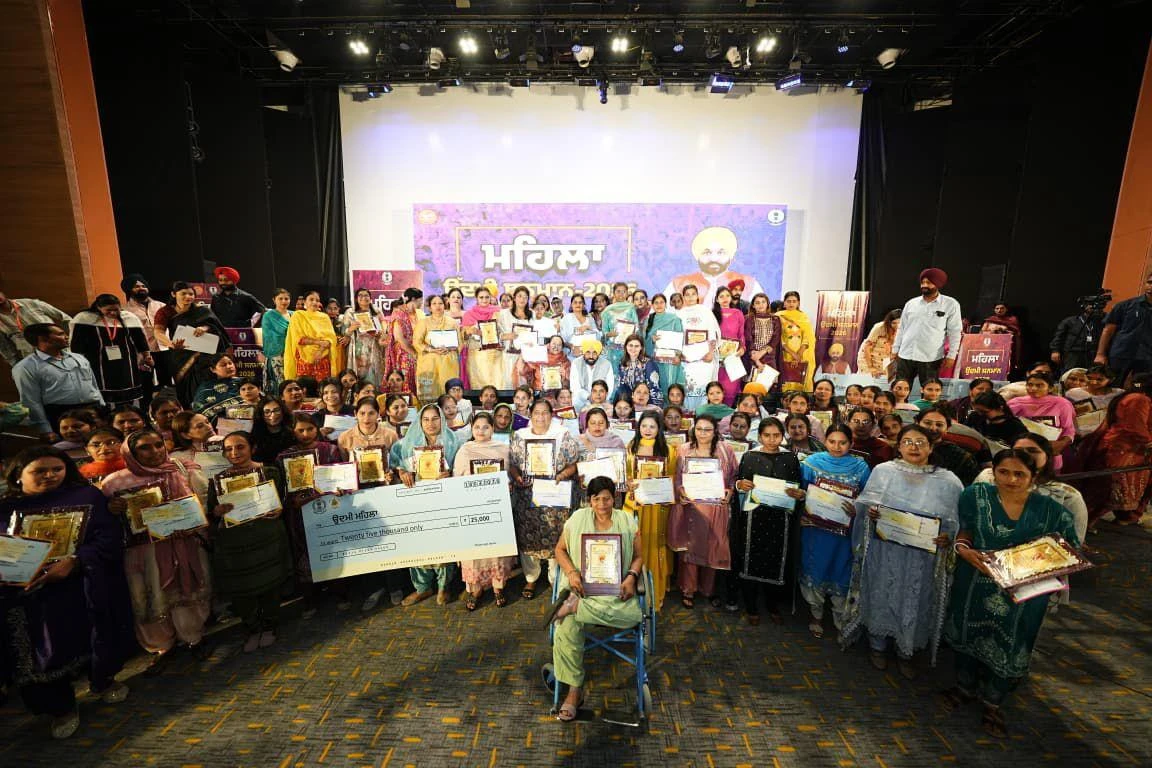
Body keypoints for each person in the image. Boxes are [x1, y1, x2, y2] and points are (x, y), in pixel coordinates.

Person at [944, 449, 1080, 738]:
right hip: (975, 579)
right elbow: (966, 530)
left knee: (1012, 641)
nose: (1011, 479)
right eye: (1003, 472)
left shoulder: (1051, 510)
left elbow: (1069, 550)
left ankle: (993, 702)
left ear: (1034, 477)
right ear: (993, 472)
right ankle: (964, 687)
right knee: (967, 631)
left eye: (1020, 474)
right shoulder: (975, 496)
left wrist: (1039, 564)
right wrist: (963, 550)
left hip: (1024, 592)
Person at [0, 447, 134, 739]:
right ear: (18, 475)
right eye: (40, 471)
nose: (50, 476)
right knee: (40, 652)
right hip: (29, 595)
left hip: (83, 585)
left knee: (96, 635)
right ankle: (61, 708)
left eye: (57, 469)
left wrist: (76, 561)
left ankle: (103, 681)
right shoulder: (5, 507)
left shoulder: (86, 496)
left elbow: (108, 537)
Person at [841, 424, 962, 678]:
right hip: (885, 551)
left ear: (931, 447)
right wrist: (870, 514)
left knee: (914, 600)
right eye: (907, 442)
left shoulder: (948, 481)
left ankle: (906, 650)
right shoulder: (884, 472)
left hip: (922, 558)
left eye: (920, 442)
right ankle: (877, 646)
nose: (913, 447)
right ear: (898, 446)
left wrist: (947, 538)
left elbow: (956, 522)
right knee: (881, 593)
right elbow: (864, 506)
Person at [100, 429, 212, 662]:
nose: (155, 451)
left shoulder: (182, 470)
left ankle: (193, 637)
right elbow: (105, 524)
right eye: (144, 447)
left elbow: (204, 502)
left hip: (184, 544)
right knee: (149, 595)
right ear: (130, 453)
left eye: (158, 445)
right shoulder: (114, 483)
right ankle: (162, 647)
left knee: (186, 590)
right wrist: (111, 510)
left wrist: (194, 521)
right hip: (144, 552)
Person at [548, 475, 644, 722]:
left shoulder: (627, 521)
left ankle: (575, 607)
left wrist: (632, 577)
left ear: (615, 499)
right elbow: (559, 550)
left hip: (616, 591)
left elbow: (638, 557)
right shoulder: (577, 519)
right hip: (583, 589)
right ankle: (573, 691)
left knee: (633, 616)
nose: (602, 504)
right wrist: (571, 572)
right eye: (597, 499)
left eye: (607, 499)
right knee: (565, 627)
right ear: (589, 500)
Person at [206, 431, 292, 653]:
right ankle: (253, 628)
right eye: (228, 449)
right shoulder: (218, 481)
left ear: (252, 448)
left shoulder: (270, 471)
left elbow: (284, 500)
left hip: (267, 537)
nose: (234, 453)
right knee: (242, 589)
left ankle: (270, 626)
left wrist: (280, 508)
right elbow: (211, 513)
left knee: (270, 585)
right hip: (235, 544)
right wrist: (217, 511)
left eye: (240, 447)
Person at [973, 434, 1087, 573]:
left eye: (1033, 451)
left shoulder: (1067, 496)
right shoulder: (987, 479)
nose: (1025, 455)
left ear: (1047, 457)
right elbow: (969, 520)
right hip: (983, 564)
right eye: (1018, 450)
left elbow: (1072, 546)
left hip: (1040, 572)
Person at [797, 425, 871, 638]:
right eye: (832, 441)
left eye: (843, 442)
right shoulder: (811, 463)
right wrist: (802, 507)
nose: (837, 447)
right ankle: (816, 614)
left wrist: (857, 508)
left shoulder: (860, 467)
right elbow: (802, 491)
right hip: (815, 530)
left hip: (844, 534)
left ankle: (841, 617)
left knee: (842, 569)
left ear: (851, 444)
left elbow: (868, 497)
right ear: (825, 441)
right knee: (815, 566)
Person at [730, 418, 805, 624]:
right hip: (753, 517)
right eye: (767, 435)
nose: (772, 440)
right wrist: (740, 485)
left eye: (776, 435)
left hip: (780, 518)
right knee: (750, 559)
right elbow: (740, 483)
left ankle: (773, 605)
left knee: (776, 560)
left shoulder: (790, 458)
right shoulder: (750, 456)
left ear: (783, 436)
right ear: (759, 436)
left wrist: (799, 494)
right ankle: (751, 607)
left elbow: (797, 487)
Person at [389, 404, 463, 604]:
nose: (431, 423)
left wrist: (451, 473)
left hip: (444, 500)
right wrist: (401, 471)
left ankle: (444, 586)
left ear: (442, 419)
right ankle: (423, 587)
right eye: (426, 419)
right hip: (417, 501)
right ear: (420, 422)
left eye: (435, 418)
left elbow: (463, 468)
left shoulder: (454, 442)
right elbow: (394, 462)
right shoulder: (406, 443)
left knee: (444, 542)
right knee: (418, 543)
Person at [509, 399, 582, 600]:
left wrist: (562, 475)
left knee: (556, 537)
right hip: (528, 498)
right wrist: (517, 477)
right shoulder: (520, 436)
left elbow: (574, 463)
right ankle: (531, 577)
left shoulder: (563, 435)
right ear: (530, 415)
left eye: (545, 413)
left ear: (551, 415)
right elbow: (513, 464)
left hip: (555, 499)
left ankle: (554, 577)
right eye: (537, 413)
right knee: (528, 538)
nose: (541, 417)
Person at [668, 414, 738, 608]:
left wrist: (730, 491)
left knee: (712, 547)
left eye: (707, 430)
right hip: (692, 507)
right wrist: (680, 492)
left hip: (716, 507)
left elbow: (734, 476)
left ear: (715, 431)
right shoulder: (684, 449)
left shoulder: (725, 450)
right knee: (690, 548)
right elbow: (678, 478)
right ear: (693, 430)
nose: (702, 433)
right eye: (699, 429)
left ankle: (708, 589)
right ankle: (688, 589)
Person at [453, 413, 516, 610]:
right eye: (477, 427)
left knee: (496, 551)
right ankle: (476, 589)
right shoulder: (465, 450)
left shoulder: (502, 449)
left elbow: (508, 475)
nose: (481, 431)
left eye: (485, 427)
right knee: (475, 552)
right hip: (473, 507)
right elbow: (457, 479)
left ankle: (498, 587)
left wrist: (508, 484)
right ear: (471, 429)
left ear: (493, 429)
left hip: (496, 507)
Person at [1075, 373, 1152, 527]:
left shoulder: (1138, 398)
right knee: (1104, 489)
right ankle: (1078, 525)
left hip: (1132, 450)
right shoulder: (1138, 399)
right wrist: (1149, 442)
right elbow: (1134, 426)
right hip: (1123, 450)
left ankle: (1125, 518)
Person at [12, 323, 105, 441]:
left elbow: (94, 386)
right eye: (61, 334)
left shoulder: (78, 358)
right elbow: (31, 401)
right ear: (43, 339)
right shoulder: (26, 367)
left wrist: (102, 411)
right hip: (60, 414)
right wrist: (45, 429)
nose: (66, 336)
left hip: (92, 410)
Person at [67, 294, 152, 408]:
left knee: (126, 392)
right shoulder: (84, 318)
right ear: (98, 307)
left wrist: (147, 356)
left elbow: (140, 340)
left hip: (126, 362)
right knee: (101, 392)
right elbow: (77, 344)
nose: (113, 313)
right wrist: (79, 363)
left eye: (116, 309)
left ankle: (124, 412)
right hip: (98, 361)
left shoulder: (129, 318)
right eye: (108, 310)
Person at [891, 268, 963, 388]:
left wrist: (951, 356)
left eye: (929, 282)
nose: (924, 285)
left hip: (930, 358)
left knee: (929, 392)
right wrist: (895, 349)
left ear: (938, 284)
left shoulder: (950, 304)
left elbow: (955, 332)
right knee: (899, 390)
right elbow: (901, 328)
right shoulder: (911, 303)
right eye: (923, 282)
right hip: (906, 355)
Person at [160, 282, 229, 406]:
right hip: (181, 355)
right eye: (183, 294)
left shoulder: (202, 310)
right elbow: (158, 332)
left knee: (208, 382)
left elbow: (217, 328)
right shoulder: (166, 311)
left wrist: (205, 328)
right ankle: (188, 410)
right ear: (173, 294)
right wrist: (171, 344)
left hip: (205, 356)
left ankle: (210, 408)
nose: (188, 297)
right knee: (184, 385)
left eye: (191, 294)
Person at [662, 225, 765, 306]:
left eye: (721, 253)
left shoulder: (748, 283)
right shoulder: (678, 284)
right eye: (707, 253)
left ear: (731, 256)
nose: (714, 259)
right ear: (697, 255)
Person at [1006, 371, 1076, 469]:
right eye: (1030, 385)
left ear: (1050, 388)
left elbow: (1068, 429)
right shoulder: (1015, 403)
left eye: (1039, 385)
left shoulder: (1062, 404)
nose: (1033, 388)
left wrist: (1060, 444)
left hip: (1051, 450)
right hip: (1022, 452)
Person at [1094, 272, 1152, 385]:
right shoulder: (1125, 305)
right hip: (1121, 354)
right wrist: (1100, 354)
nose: (1151, 286)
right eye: (1149, 282)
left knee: (1141, 389)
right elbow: (1108, 330)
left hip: (1147, 357)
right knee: (1112, 386)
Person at [120, 274, 171, 389]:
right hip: (144, 352)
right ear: (129, 290)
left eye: (143, 286)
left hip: (165, 349)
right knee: (147, 384)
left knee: (168, 382)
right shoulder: (125, 311)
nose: (141, 288)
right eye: (136, 286)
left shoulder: (161, 306)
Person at [283, 290, 343, 385]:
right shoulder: (298, 316)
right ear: (305, 302)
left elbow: (331, 339)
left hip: (322, 359)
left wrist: (320, 351)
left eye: (317, 300)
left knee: (322, 387)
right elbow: (298, 339)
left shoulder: (324, 317)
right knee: (305, 387)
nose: (314, 302)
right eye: (311, 299)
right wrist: (319, 342)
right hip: (304, 359)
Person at [677, 284, 722, 410]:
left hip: (705, 359)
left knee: (704, 390)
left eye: (693, 294)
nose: (690, 297)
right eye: (687, 295)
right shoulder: (679, 314)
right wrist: (679, 353)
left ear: (697, 296)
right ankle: (688, 416)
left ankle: (703, 415)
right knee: (688, 390)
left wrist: (711, 353)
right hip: (687, 360)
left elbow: (713, 333)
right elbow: (677, 335)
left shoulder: (706, 311)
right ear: (683, 297)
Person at [0, 291, 73, 368]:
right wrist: (17, 366)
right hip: (36, 363)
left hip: (63, 353)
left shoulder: (30, 303)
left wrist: (69, 340)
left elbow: (66, 319)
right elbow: (5, 348)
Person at [412, 294, 461, 404]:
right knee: (429, 396)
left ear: (445, 305)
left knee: (448, 394)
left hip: (448, 363)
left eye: (440, 303)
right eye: (434, 304)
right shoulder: (423, 323)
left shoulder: (452, 322)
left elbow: (459, 343)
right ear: (429, 307)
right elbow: (416, 342)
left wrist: (449, 348)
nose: (438, 306)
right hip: (429, 363)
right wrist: (431, 350)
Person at [916, 407, 980, 486]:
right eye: (927, 423)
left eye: (939, 425)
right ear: (917, 423)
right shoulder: (906, 449)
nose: (933, 428)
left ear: (947, 429)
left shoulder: (960, 457)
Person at [460, 286, 506, 389]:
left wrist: (502, 344)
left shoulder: (499, 313)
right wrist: (470, 331)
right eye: (481, 297)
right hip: (476, 356)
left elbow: (503, 332)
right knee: (478, 386)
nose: (484, 300)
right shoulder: (469, 314)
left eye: (487, 297)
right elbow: (463, 336)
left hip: (495, 355)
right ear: (476, 298)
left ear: (490, 298)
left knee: (497, 385)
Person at [340, 288, 387, 385]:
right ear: (356, 299)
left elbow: (381, 330)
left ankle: (373, 392)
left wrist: (379, 333)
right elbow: (343, 332)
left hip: (373, 347)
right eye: (360, 295)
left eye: (366, 295)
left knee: (373, 373)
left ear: (370, 298)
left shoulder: (376, 311)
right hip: (358, 347)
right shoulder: (350, 312)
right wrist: (351, 328)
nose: (363, 298)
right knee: (358, 373)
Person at [776, 292, 816, 393]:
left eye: (794, 301)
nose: (791, 304)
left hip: (802, 355)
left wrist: (799, 354)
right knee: (786, 381)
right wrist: (792, 354)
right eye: (789, 301)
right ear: (784, 303)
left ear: (798, 303)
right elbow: (778, 337)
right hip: (784, 353)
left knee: (800, 382)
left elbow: (808, 337)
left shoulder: (804, 317)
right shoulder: (778, 317)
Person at [189, 354, 246, 423]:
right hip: (224, 425)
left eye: (230, 363)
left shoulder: (245, 382)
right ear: (213, 369)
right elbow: (202, 413)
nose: (229, 366)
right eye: (223, 365)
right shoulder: (206, 389)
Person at [742, 293, 782, 390]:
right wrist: (757, 360)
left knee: (769, 390)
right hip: (752, 357)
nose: (761, 305)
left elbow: (775, 338)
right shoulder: (748, 318)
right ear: (753, 305)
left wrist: (762, 352)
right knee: (752, 389)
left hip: (769, 357)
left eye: (763, 302)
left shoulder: (775, 319)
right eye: (757, 303)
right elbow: (748, 339)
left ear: (767, 304)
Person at [714, 286, 747, 404]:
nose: (725, 299)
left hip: (734, 357)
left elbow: (741, 334)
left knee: (731, 389)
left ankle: (728, 413)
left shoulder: (738, 313)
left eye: (727, 296)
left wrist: (742, 348)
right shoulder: (712, 314)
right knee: (716, 389)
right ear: (717, 299)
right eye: (721, 296)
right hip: (717, 357)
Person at [1050, 303, 1104, 373]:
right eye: (1090, 305)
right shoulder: (1070, 321)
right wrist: (1055, 350)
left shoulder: (1100, 322)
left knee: (1090, 375)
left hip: (1092, 353)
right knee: (1070, 374)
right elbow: (1058, 336)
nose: (1092, 307)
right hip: (1073, 353)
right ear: (1084, 306)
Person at [965, 391, 1029, 449]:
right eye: (978, 410)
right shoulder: (975, 416)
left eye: (984, 412)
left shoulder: (1015, 426)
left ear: (1000, 408)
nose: (980, 414)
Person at [600, 282, 640, 370]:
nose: (621, 294)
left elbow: (636, 327)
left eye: (624, 291)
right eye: (618, 291)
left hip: (629, 348)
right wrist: (609, 334)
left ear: (627, 293)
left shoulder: (631, 308)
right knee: (614, 372)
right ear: (614, 293)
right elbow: (604, 332)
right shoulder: (607, 310)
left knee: (628, 371)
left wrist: (632, 336)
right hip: (612, 348)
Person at [260, 289, 293, 393]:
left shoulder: (294, 315)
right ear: (274, 300)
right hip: (277, 355)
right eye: (280, 299)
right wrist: (289, 336)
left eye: (286, 299)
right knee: (280, 385)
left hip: (293, 355)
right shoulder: (268, 316)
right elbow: (270, 336)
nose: (284, 301)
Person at [498, 286, 533, 386]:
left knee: (525, 385)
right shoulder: (504, 314)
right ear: (514, 298)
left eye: (525, 297)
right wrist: (505, 336)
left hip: (527, 356)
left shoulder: (532, 314)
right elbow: (495, 333)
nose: (522, 299)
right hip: (509, 356)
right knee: (509, 383)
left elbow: (537, 332)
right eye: (520, 296)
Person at [616, 334, 662, 406]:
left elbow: (655, 389)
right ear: (626, 346)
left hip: (648, 405)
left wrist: (654, 408)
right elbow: (621, 388)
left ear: (641, 348)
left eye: (636, 346)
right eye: (630, 345)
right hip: (630, 405)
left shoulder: (649, 364)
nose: (633, 349)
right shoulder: (622, 364)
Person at [570, 339, 616, 411]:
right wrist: (588, 397)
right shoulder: (576, 363)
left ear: (599, 354)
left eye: (594, 353)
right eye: (588, 352)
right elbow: (575, 387)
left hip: (601, 400)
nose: (591, 356)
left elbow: (609, 387)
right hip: (581, 400)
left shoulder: (606, 364)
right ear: (583, 353)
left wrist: (599, 398)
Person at [857, 309, 901, 378]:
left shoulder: (905, 329)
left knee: (885, 381)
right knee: (868, 379)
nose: (897, 325)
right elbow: (868, 347)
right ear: (889, 322)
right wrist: (871, 367)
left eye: (899, 323)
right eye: (894, 323)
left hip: (887, 358)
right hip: (870, 356)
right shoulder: (880, 327)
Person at [559, 293, 599, 363]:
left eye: (580, 302)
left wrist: (588, 327)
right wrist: (572, 347)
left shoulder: (590, 319)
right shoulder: (566, 319)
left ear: (583, 305)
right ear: (571, 305)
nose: (578, 305)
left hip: (589, 355)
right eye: (575, 302)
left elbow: (598, 336)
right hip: (572, 356)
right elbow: (562, 339)